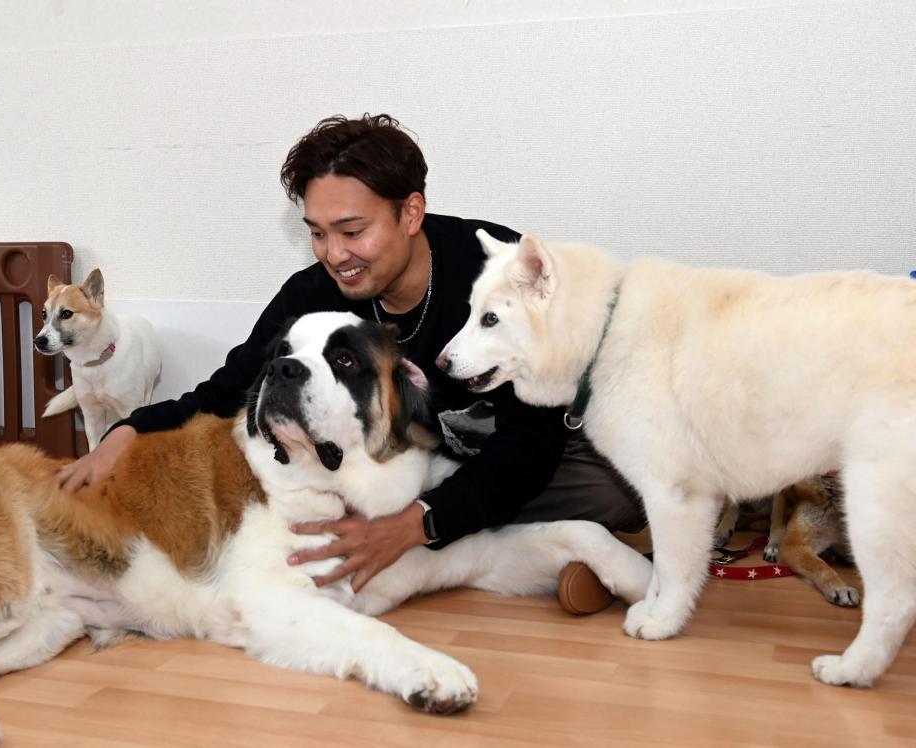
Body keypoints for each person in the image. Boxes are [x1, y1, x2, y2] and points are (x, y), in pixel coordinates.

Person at [57, 113, 645, 610]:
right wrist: (129, 430)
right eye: (317, 233)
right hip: (426, 463)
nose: (336, 255)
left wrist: (413, 525)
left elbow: (530, 443)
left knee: (617, 488)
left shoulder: (495, 273)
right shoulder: (310, 295)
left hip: (542, 439)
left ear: (410, 213)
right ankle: (544, 553)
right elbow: (229, 389)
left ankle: (508, 538)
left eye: (352, 230)